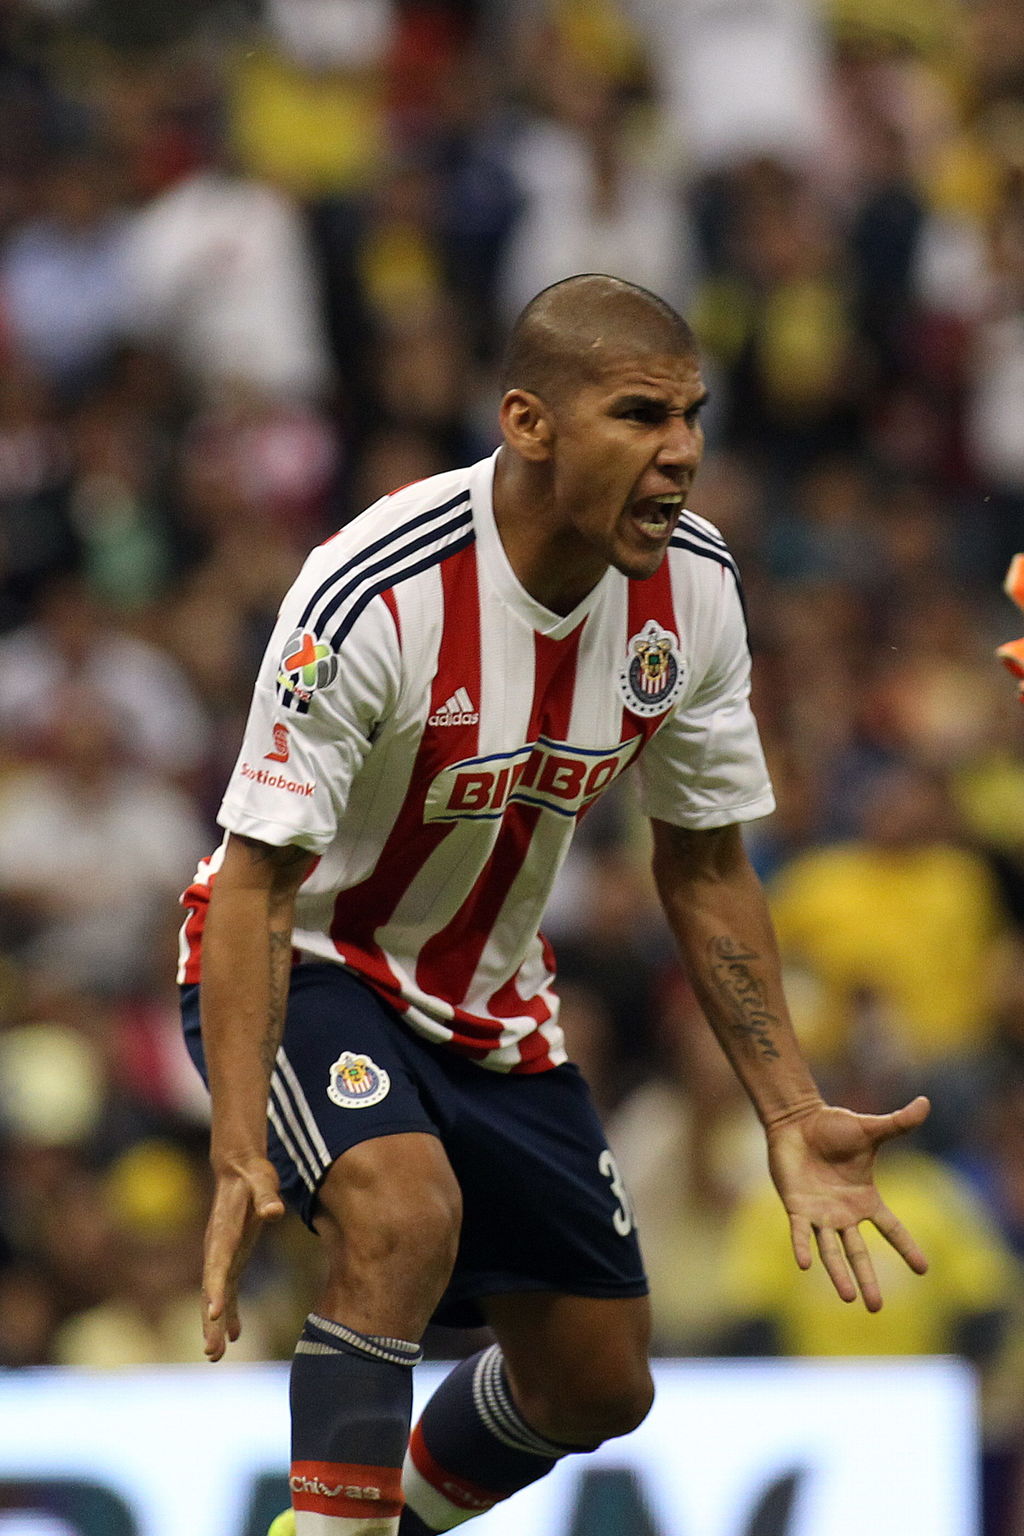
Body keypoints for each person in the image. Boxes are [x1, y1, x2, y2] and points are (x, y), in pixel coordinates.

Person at [178, 273, 931, 1536]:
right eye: (639, 415)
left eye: (690, 417)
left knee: (596, 1383)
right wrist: (239, 1146)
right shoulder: (377, 588)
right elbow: (256, 881)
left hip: (491, 1001)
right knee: (403, 1212)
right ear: (527, 422)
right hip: (311, 955)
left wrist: (792, 1108)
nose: (680, 452)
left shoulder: (693, 587)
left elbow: (705, 864)